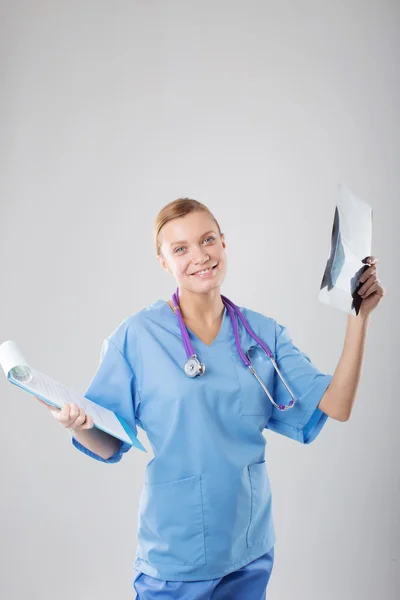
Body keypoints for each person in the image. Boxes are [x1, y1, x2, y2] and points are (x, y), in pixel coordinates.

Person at [36, 198, 385, 599]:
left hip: (249, 548)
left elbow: (337, 405)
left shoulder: (262, 333)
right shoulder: (137, 337)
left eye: (208, 240)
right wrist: (78, 428)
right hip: (176, 553)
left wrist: (359, 319)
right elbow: (109, 442)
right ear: (163, 261)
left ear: (223, 243)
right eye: (180, 248)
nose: (199, 256)